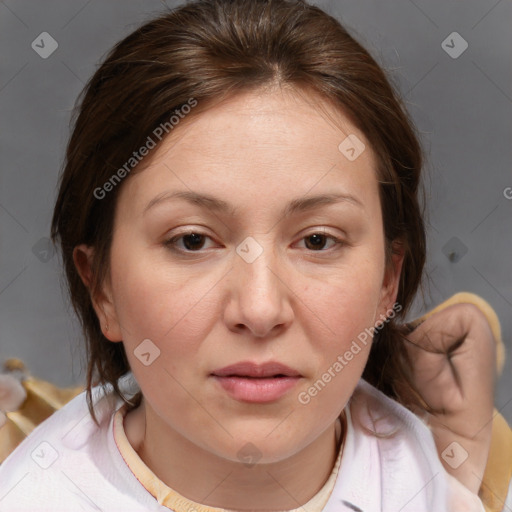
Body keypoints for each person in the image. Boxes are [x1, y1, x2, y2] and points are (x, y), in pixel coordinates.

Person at [0, 0, 507, 510]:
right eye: (192, 240)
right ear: (101, 287)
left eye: (317, 240)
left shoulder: (462, 480)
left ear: (387, 283)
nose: (261, 310)